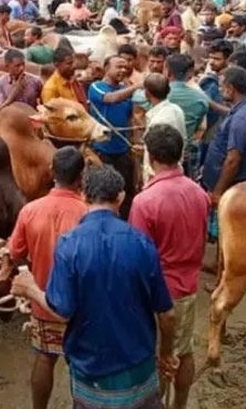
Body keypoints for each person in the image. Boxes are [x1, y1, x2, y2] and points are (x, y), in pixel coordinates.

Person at [11, 164, 177, 409]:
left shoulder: (69, 245)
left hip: (92, 371)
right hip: (138, 368)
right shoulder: (142, 243)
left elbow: (62, 309)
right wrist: (165, 353)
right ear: (120, 197)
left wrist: (30, 289)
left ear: (85, 196)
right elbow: (167, 314)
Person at [129, 125, 210, 409]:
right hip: (187, 286)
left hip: (158, 294)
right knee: (184, 351)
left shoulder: (144, 202)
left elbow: (138, 259)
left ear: (150, 157)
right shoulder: (199, 194)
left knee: (159, 358)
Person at [8, 146, 88, 409]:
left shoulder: (30, 210)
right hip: (79, 307)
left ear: (52, 172)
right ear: (81, 177)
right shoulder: (88, 214)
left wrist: (28, 274)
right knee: (82, 363)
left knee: (44, 358)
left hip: (42, 300)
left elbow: (15, 252)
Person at [201, 66, 246, 273]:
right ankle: (219, 265)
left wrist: (218, 190)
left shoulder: (240, 120)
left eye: (222, 86)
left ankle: (223, 273)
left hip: (232, 183)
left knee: (226, 228)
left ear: (230, 88)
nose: (220, 90)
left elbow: (233, 159)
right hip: (237, 180)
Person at [88, 56, 140, 218]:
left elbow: (131, 117)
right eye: (118, 67)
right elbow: (110, 99)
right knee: (103, 193)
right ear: (106, 68)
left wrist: (135, 141)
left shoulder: (126, 89)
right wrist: (137, 86)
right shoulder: (96, 87)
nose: (123, 70)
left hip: (123, 151)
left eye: (125, 67)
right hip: (102, 153)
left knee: (126, 192)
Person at [141, 74, 186, 184]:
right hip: (176, 170)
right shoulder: (176, 110)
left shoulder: (158, 121)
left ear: (147, 93)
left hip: (159, 176)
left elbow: (156, 159)